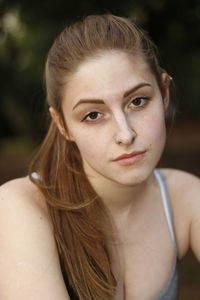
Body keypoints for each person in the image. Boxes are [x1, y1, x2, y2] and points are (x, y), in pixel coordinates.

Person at [0, 14, 199, 300]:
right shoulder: (20, 207)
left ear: (164, 93)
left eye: (138, 101)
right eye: (93, 115)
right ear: (63, 125)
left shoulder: (184, 198)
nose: (125, 134)